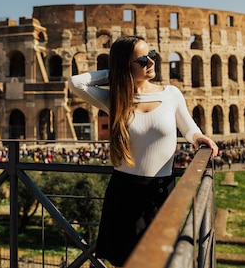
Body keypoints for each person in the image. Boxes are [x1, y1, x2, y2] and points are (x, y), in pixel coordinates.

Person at [69, 35, 218, 267]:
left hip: (161, 191)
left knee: (160, 261)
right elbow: (76, 83)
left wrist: (199, 138)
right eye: (142, 60)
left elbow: (189, 128)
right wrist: (115, 73)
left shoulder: (171, 93)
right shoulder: (116, 99)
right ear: (125, 66)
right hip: (123, 193)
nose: (151, 62)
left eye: (152, 56)